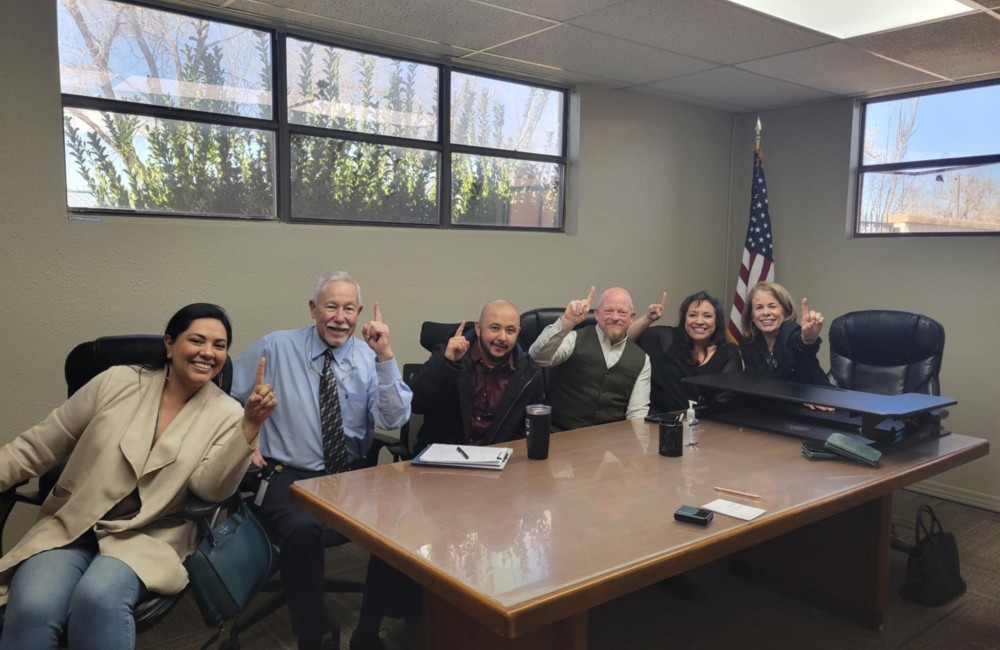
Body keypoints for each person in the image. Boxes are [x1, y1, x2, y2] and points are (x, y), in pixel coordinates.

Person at [0, 303, 275, 650]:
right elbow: (38, 445)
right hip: (73, 524)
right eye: (198, 340)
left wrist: (250, 425)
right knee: (32, 607)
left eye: (219, 345)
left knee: (97, 599)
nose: (208, 352)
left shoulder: (228, 413)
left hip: (150, 535)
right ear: (170, 343)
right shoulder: (117, 381)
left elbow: (210, 488)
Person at [231, 272, 412, 650]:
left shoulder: (369, 358)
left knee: (399, 522)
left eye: (349, 308)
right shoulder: (277, 347)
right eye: (331, 306)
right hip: (287, 474)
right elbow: (222, 395)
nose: (340, 317)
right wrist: (243, 438)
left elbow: (394, 420)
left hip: (348, 474)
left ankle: (368, 629)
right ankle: (312, 635)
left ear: (359, 313)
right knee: (302, 529)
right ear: (313, 309)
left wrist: (385, 357)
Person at [410, 300, 544, 452]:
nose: (502, 337)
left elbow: (531, 429)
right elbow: (415, 403)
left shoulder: (529, 373)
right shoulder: (450, 355)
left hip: (498, 463)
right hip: (442, 461)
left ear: (518, 333)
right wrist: (446, 364)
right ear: (479, 328)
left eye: (510, 331)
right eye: (494, 328)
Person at [529, 286, 650, 431]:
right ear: (597, 314)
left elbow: (637, 414)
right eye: (608, 311)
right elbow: (537, 358)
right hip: (560, 436)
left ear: (632, 318)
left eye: (622, 312)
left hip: (609, 443)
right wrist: (566, 322)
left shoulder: (642, 359)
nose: (615, 317)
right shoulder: (573, 339)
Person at [628, 290, 741, 413]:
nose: (699, 321)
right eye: (692, 315)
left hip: (705, 424)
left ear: (717, 321)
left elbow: (727, 399)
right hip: (660, 421)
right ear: (684, 319)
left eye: (707, 316)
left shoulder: (728, 353)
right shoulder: (666, 338)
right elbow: (622, 339)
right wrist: (648, 318)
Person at [739, 281, 832, 387]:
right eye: (759, 307)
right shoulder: (749, 345)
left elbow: (800, 343)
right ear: (752, 316)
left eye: (772, 306)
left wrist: (807, 338)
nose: (766, 313)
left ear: (786, 311)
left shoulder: (789, 331)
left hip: (816, 398)